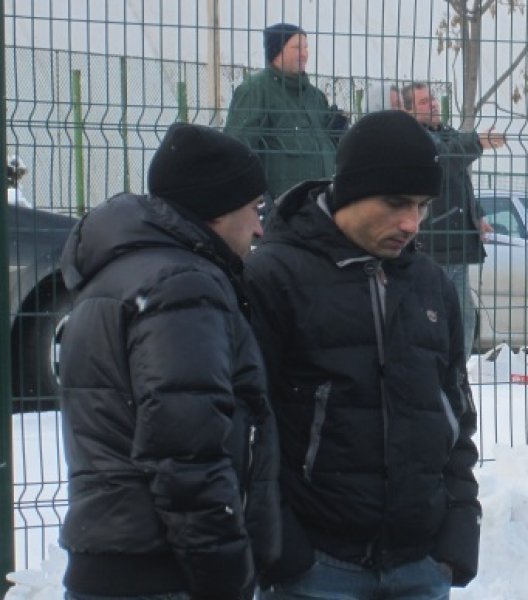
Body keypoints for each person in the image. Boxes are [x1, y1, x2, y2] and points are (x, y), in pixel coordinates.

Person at [246, 110, 481, 599]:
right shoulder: (275, 276)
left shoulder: (432, 285)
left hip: (421, 564)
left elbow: (455, 419)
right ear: (350, 190)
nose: (411, 223)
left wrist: (458, 534)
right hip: (316, 566)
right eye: (396, 203)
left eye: (421, 206)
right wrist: (283, 545)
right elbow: (247, 424)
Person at [57, 123, 281, 599]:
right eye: (255, 210)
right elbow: (186, 451)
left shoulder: (114, 273)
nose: (261, 227)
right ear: (219, 210)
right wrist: (226, 578)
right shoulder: (183, 284)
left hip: (109, 561)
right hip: (161, 572)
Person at [401, 81, 504, 358]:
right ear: (409, 111)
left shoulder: (446, 134)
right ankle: (439, 369)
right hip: (435, 243)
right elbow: (443, 162)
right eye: (423, 102)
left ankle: (456, 372)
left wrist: (477, 215)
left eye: (432, 99)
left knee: (463, 317)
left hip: (457, 242)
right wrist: (477, 142)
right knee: (437, 315)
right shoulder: (415, 139)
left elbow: (459, 183)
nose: (433, 104)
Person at [225, 22, 348, 203]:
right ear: (277, 50)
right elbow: (239, 146)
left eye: (306, 47)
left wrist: (336, 133)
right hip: (281, 205)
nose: (304, 54)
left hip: (320, 200)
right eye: (296, 47)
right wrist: (256, 196)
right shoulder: (256, 90)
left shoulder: (315, 97)